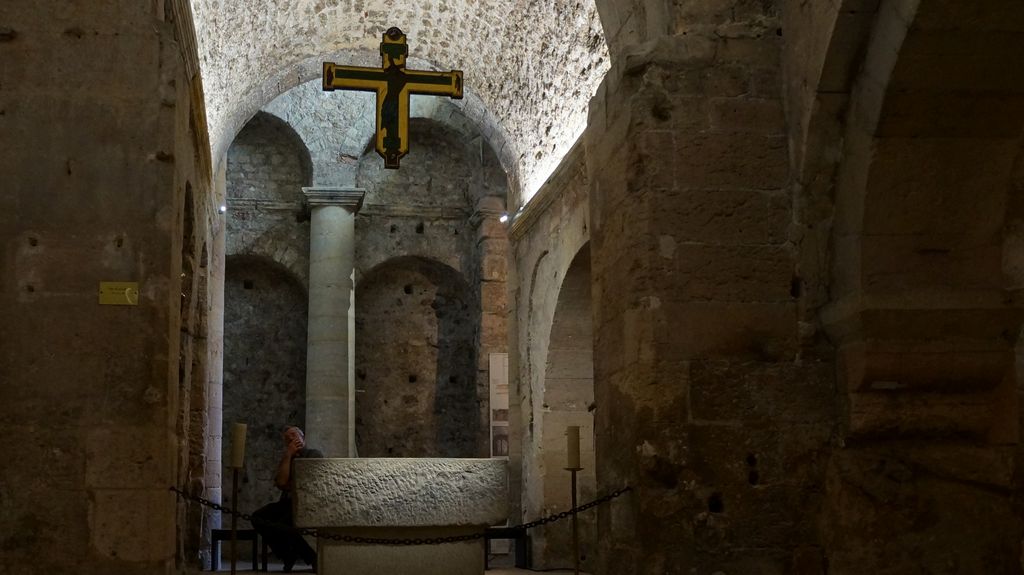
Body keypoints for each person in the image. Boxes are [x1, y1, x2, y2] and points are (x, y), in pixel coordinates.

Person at [251, 426, 321, 572]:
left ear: (303, 438)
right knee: (258, 517)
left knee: (282, 525)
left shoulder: (313, 454)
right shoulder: (287, 458)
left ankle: (310, 557)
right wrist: (288, 455)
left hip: (305, 503)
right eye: (288, 439)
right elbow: (281, 482)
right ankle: (288, 555)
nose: (291, 440)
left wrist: (291, 484)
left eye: (294, 436)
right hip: (287, 502)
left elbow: (307, 482)